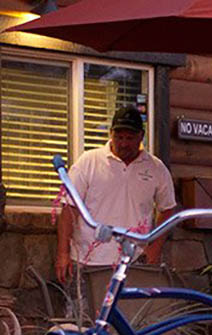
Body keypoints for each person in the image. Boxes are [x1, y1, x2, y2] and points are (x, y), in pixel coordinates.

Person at [56, 107, 178, 286]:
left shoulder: (156, 168)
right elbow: (69, 209)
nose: (123, 144)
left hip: (134, 261)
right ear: (111, 134)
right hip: (88, 260)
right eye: (119, 137)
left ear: (141, 136)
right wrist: (63, 253)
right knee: (86, 313)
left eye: (130, 138)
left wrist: (154, 249)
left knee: (131, 314)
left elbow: (168, 210)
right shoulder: (89, 162)